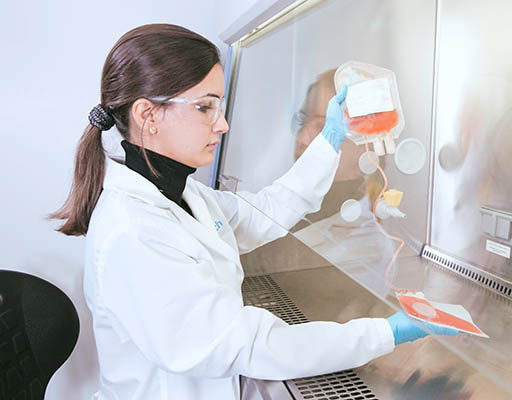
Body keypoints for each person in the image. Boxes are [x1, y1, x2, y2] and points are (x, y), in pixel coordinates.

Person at [51, 24, 456, 400]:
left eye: (220, 106)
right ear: (147, 115)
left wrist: (332, 137)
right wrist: (387, 332)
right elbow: (255, 346)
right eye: (205, 108)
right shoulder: (133, 232)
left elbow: (268, 211)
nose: (222, 124)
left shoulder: (183, 194)